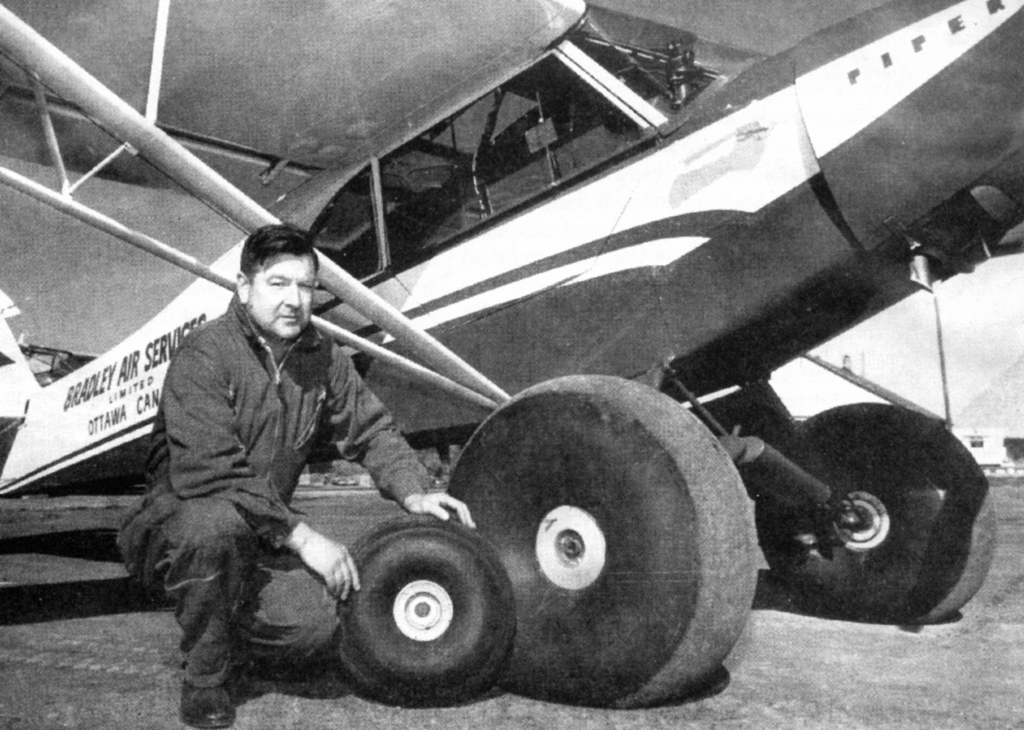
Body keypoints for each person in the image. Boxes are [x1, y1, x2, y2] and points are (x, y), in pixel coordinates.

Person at [117, 223, 474, 729]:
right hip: (177, 523)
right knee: (213, 529)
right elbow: (210, 473)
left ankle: (225, 618)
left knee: (319, 626)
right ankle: (205, 679)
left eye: (306, 287)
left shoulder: (321, 354)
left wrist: (416, 491)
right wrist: (302, 536)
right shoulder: (204, 354)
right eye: (278, 283)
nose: (294, 300)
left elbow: (370, 429)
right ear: (244, 287)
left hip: (263, 529)